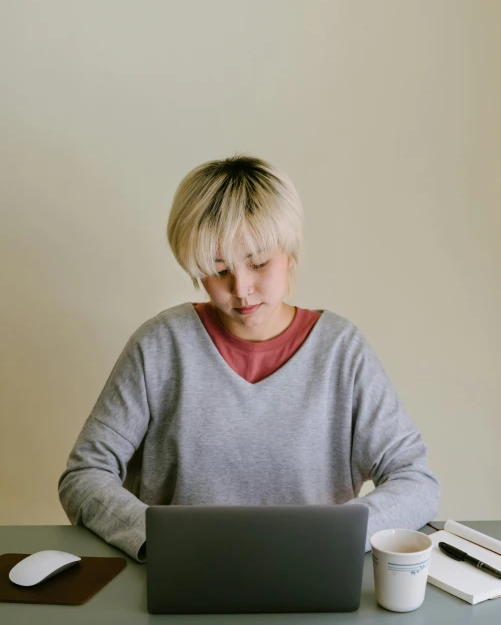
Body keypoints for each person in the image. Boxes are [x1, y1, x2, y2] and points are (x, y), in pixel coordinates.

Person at [58, 153, 440, 563]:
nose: (241, 289)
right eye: (218, 270)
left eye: (258, 263)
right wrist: (154, 540)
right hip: (181, 579)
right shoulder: (160, 345)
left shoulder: (341, 351)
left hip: (313, 577)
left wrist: (336, 537)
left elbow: (415, 480)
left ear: (290, 253)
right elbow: (84, 475)